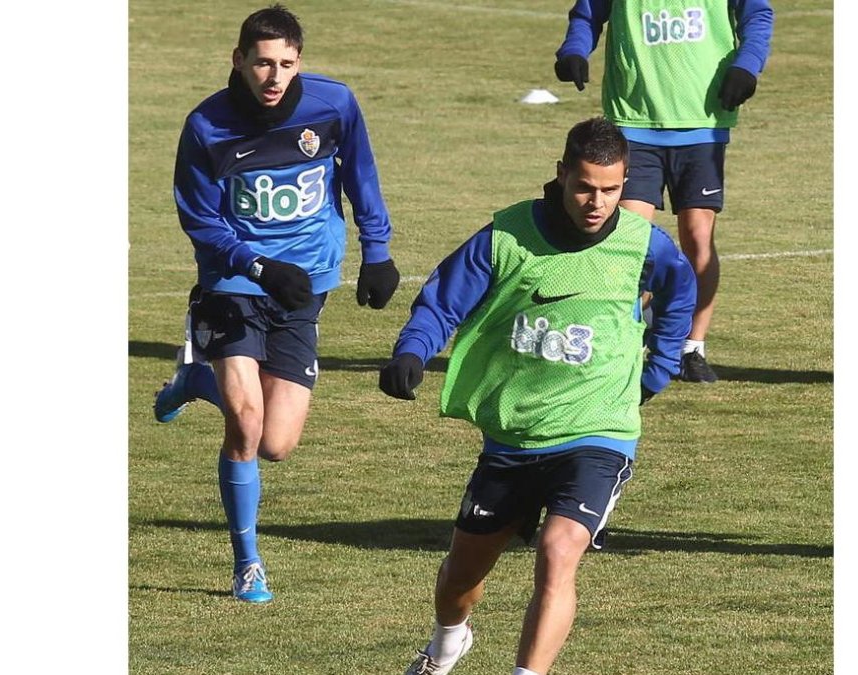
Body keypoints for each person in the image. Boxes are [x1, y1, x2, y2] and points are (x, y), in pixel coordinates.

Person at [381, 117, 696, 675]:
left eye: (611, 189)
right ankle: (447, 644)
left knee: (557, 553)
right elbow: (442, 300)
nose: (597, 202)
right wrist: (413, 350)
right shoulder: (507, 236)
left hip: (599, 431)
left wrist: (661, 366)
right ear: (561, 175)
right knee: (460, 578)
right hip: (513, 435)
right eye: (585, 187)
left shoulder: (645, 245)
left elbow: (679, 291)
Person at [162, 4, 401, 603]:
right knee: (246, 423)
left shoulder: (332, 105)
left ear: (299, 63)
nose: (274, 78)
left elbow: (361, 175)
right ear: (238, 61)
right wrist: (259, 266)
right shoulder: (206, 127)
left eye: (286, 65)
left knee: (276, 444)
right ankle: (247, 563)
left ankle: (197, 381)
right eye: (262, 64)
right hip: (234, 284)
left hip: (308, 283)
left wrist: (377, 251)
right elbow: (200, 220)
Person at [553, 0, 773, 382]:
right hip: (634, 120)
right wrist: (574, 48)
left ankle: (692, 348)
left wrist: (747, 64)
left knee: (697, 236)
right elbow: (589, 12)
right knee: (630, 238)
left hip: (702, 120)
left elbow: (757, 12)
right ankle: (621, 340)